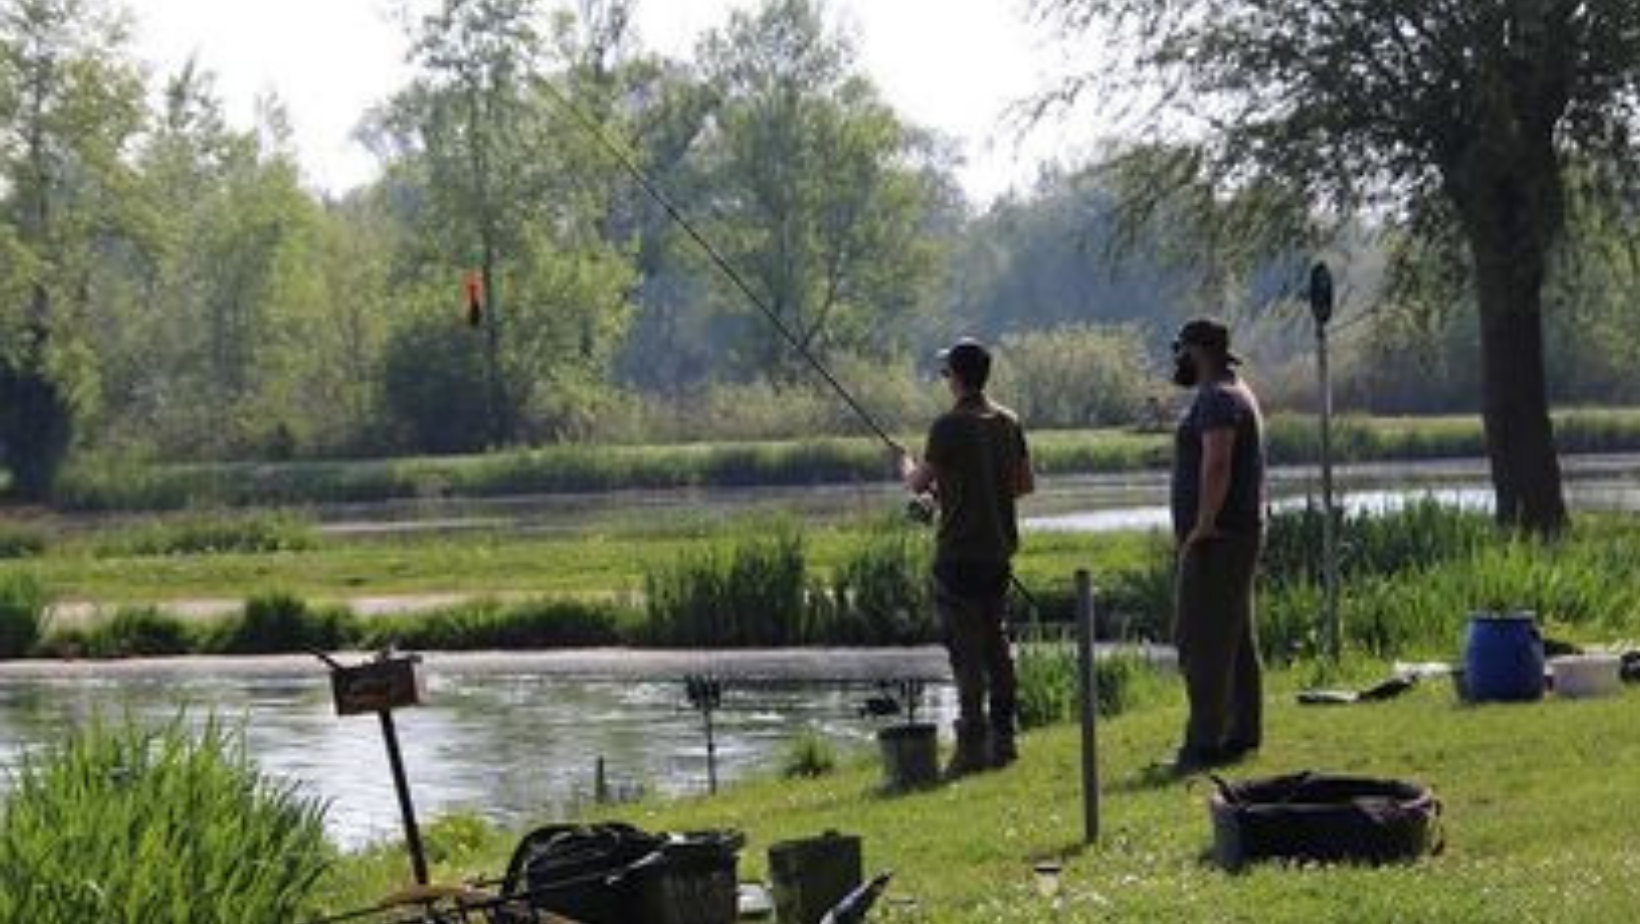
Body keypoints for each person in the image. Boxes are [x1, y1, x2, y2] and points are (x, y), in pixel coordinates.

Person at [900, 338, 1035, 776]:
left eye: (946, 374)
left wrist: (904, 463)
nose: (945, 380)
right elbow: (1022, 485)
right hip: (998, 553)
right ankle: (1005, 740)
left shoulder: (947, 427)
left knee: (966, 651)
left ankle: (971, 747)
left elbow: (918, 485)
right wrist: (963, 488)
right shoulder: (1007, 422)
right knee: (997, 644)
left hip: (958, 555)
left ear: (956, 377)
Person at [1168, 318, 1267, 773]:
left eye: (1181, 353)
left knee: (1201, 638)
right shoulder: (1236, 391)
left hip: (1219, 537)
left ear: (1197, 352)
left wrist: (1202, 525)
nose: (1178, 362)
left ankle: (1204, 740)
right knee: (1235, 638)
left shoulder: (1218, 399)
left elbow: (1218, 463)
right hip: (1236, 532)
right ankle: (1241, 731)